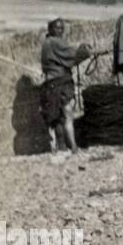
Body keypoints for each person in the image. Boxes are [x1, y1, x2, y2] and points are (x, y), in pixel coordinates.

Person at [40, 18, 92, 154]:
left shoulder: (47, 43)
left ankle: (62, 147)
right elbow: (72, 54)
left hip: (52, 83)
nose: (60, 30)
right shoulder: (54, 42)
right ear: (50, 29)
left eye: (62, 28)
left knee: (58, 116)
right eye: (57, 28)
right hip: (59, 83)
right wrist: (87, 51)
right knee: (67, 114)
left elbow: (66, 59)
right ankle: (72, 147)